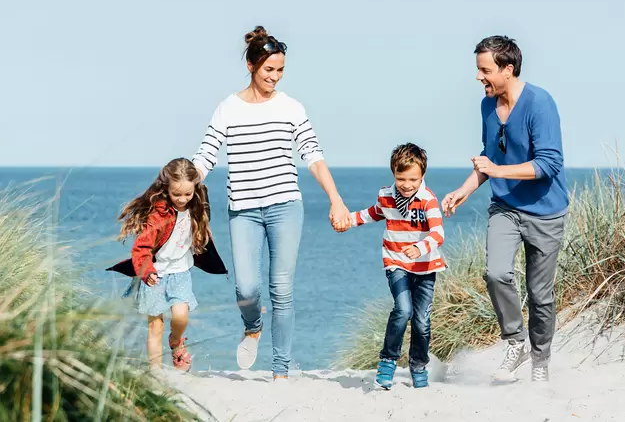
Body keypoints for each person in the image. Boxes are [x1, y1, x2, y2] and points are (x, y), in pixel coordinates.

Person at [191, 25, 351, 381]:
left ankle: (281, 370)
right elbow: (205, 157)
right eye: (268, 70)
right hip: (243, 210)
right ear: (251, 66)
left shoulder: (291, 107)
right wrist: (183, 185)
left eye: (280, 70)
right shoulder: (228, 109)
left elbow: (313, 155)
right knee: (246, 289)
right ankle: (253, 326)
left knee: (281, 288)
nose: (274, 77)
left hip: (285, 207)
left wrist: (336, 200)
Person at [441, 36, 568, 383]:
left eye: (485, 70)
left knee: (541, 295)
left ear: (507, 69)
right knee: (496, 273)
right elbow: (489, 157)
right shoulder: (487, 106)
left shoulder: (540, 103)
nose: (480, 77)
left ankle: (540, 362)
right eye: (478, 70)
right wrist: (463, 190)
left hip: (546, 212)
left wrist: (497, 171)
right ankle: (516, 341)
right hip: (506, 208)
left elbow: (548, 164)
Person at [340, 143, 445, 390]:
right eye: (401, 178)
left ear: (422, 176)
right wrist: (348, 221)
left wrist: (420, 248)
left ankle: (418, 366)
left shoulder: (428, 200)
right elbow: (374, 213)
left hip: (426, 266)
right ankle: (387, 362)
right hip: (396, 261)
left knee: (422, 322)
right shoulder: (386, 195)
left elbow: (438, 233)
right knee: (403, 310)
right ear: (393, 175)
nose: (407, 184)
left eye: (413, 179)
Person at [114, 157, 217, 375]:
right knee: (155, 326)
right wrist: (146, 271)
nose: (182, 199)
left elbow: (201, 230)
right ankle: (156, 372)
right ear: (166, 189)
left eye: (187, 194)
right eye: (176, 194)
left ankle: (176, 341)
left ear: (194, 189)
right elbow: (141, 248)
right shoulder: (158, 213)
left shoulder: (197, 205)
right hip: (155, 275)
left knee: (181, 316)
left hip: (180, 273)